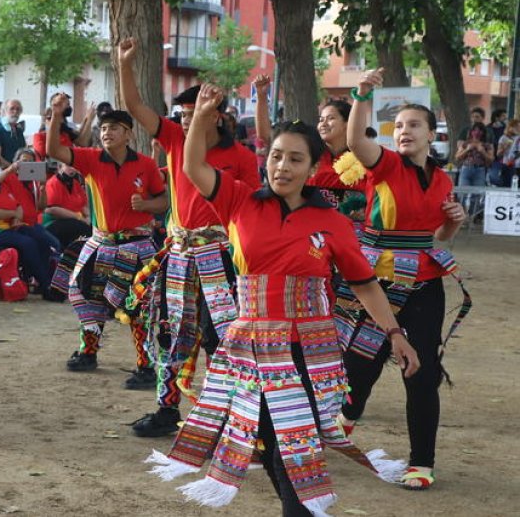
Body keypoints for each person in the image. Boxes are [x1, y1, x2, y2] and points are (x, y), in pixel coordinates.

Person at [147, 83, 420, 516]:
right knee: (273, 443)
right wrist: (201, 115)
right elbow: (193, 164)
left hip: (309, 350)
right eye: (276, 156)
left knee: (295, 446)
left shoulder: (332, 223)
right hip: (252, 346)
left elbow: (365, 283)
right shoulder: (238, 200)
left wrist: (395, 333)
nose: (283, 166)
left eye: (295, 159)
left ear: (313, 167)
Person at [116, 37, 261, 437]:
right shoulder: (174, 140)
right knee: (171, 331)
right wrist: (124, 63)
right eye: (180, 114)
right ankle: (167, 409)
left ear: (216, 115)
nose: (183, 120)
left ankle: (227, 415)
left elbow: (250, 207)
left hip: (220, 255)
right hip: (178, 253)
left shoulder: (243, 159)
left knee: (223, 336)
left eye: (193, 112)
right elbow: (135, 107)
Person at [337, 68, 470, 491]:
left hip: (426, 282)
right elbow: (356, 142)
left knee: (424, 370)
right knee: (362, 364)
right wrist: (361, 94)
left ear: (432, 134)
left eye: (415, 125)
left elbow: (439, 238)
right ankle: (346, 419)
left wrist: (454, 224)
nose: (404, 130)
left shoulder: (444, 178)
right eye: (400, 125)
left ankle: (421, 462)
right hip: (378, 279)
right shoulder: (386, 164)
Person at [45, 100, 168, 383]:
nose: (106, 133)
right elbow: (53, 151)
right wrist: (56, 115)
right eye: (103, 128)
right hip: (100, 243)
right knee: (85, 296)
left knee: (138, 307)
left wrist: (147, 205)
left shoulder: (146, 165)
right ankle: (88, 352)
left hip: (137, 246)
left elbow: (163, 201)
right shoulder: (89, 158)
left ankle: (145, 365)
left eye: (114, 128)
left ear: (128, 134)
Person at [253, 76, 369, 223]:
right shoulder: (310, 151)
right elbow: (266, 137)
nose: (323, 123)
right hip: (308, 227)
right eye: (321, 119)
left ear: (348, 123)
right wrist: (261, 97)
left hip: (353, 232)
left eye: (331, 118)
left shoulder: (364, 156)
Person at [0, 152, 61, 299]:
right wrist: (12, 213)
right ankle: (46, 286)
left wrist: (14, 213)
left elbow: (18, 207)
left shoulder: (0, 186)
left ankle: (44, 283)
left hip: (11, 227)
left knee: (43, 241)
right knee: (28, 243)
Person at [41, 162, 91, 249]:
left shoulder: (75, 183)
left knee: (93, 226)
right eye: (69, 166)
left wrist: (89, 217)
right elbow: (52, 209)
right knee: (80, 227)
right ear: (60, 167)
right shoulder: (52, 183)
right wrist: (79, 218)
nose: (73, 169)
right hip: (53, 222)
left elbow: (83, 205)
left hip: (74, 220)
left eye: (74, 166)